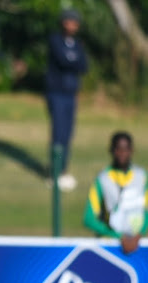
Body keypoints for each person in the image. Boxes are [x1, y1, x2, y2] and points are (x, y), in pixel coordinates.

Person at [45, 8, 88, 192]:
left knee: (69, 133)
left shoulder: (78, 44)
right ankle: (54, 173)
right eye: (69, 21)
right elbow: (63, 61)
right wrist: (73, 60)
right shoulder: (55, 40)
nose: (72, 25)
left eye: (75, 22)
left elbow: (83, 66)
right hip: (56, 92)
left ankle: (63, 171)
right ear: (63, 22)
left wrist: (73, 59)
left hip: (71, 94)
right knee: (59, 132)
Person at [84, 131, 147, 255]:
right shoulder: (102, 179)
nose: (122, 153)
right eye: (118, 149)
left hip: (137, 245)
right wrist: (118, 236)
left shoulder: (142, 177)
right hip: (110, 246)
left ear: (132, 150)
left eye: (126, 149)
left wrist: (138, 235)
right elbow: (88, 219)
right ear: (112, 150)